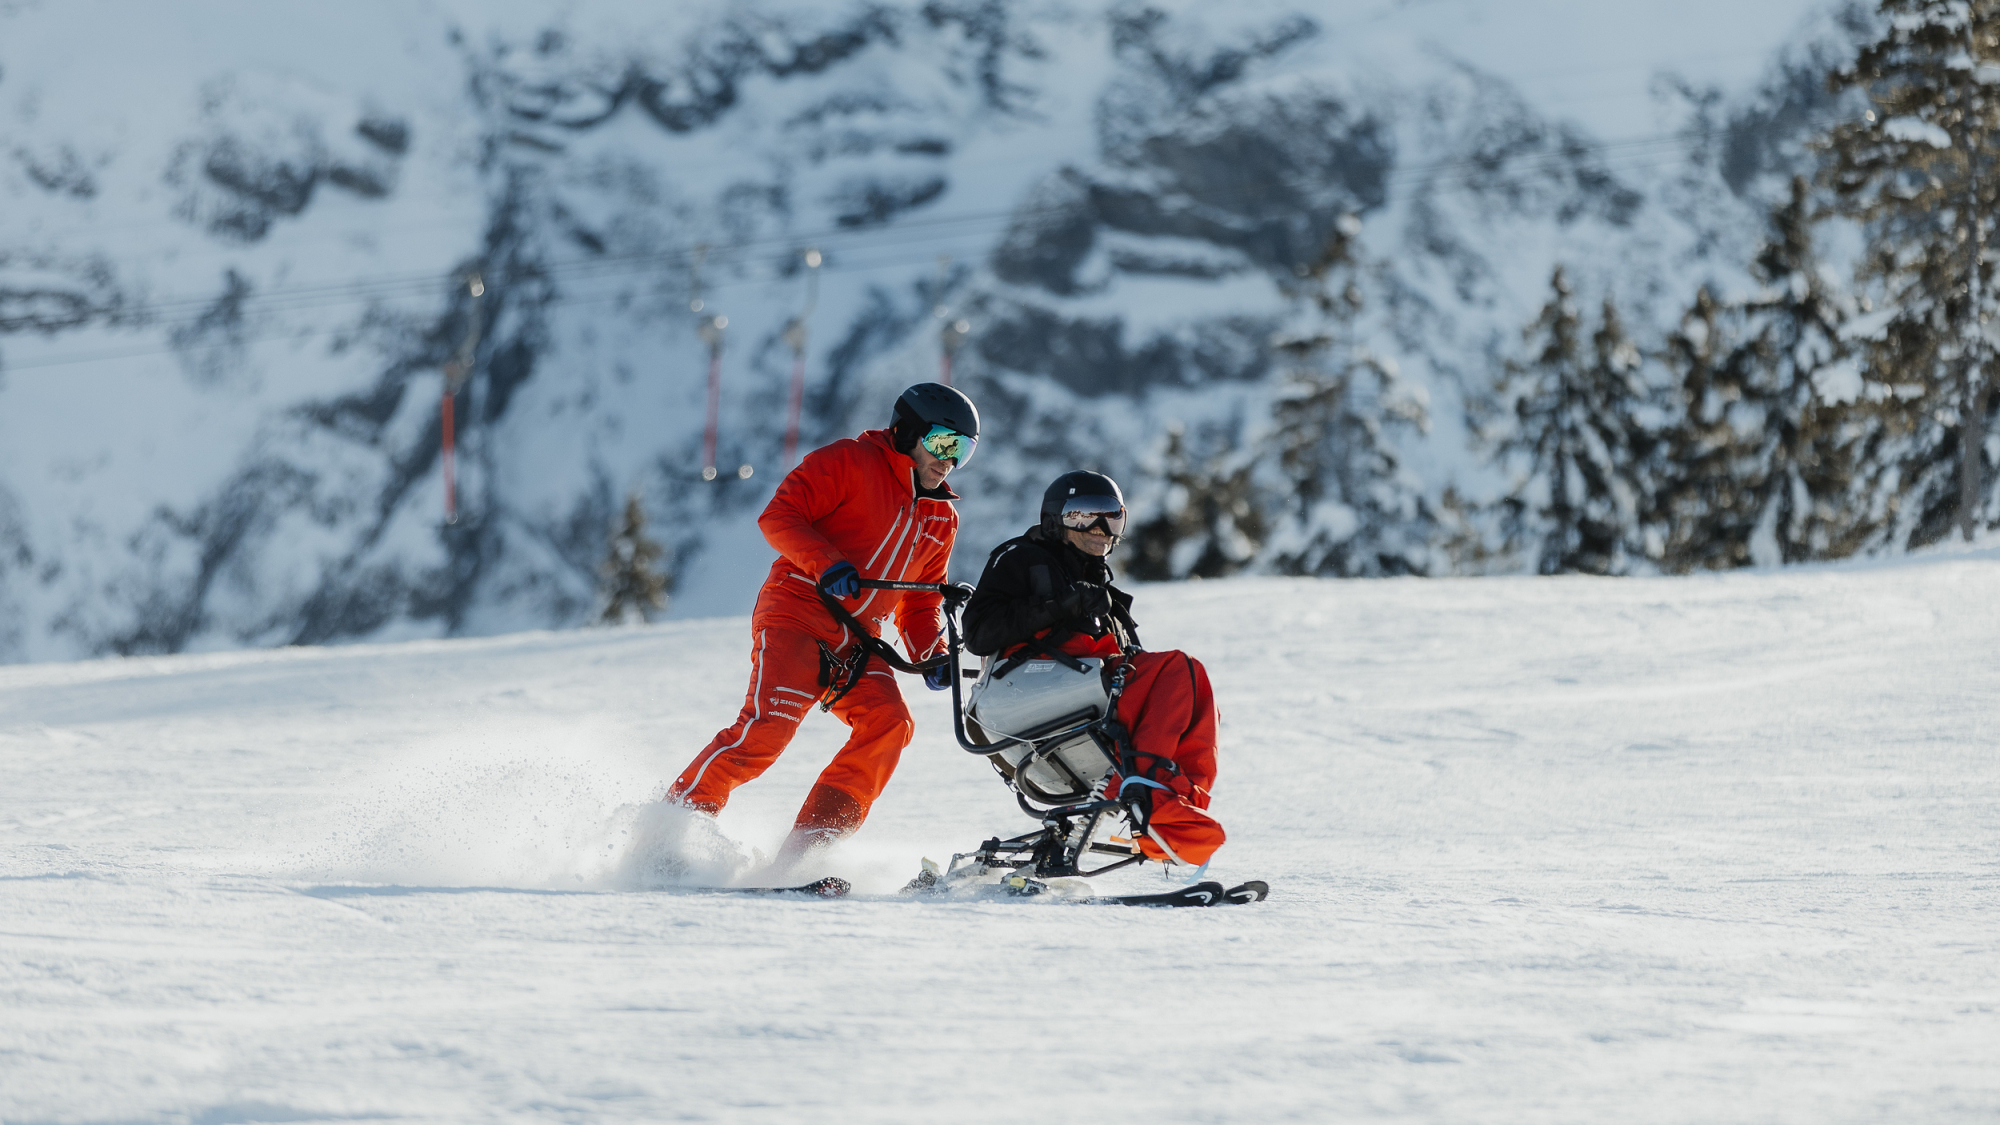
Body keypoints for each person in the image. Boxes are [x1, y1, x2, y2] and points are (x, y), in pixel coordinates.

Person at [666, 382, 977, 859]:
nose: (950, 459)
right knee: (766, 732)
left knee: (890, 724)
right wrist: (826, 562)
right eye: (941, 443)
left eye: (963, 449)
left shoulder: (941, 518)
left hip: (856, 641)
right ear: (906, 432)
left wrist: (932, 654)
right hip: (798, 612)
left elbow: (919, 602)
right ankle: (669, 829)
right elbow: (779, 516)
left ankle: (810, 848)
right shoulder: (848, 462)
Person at [961, 470, 1225, 867]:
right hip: (1018, 694)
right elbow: (978, 633)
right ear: (1055, 521)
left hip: (1076, 702)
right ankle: (1150, 801)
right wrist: (1061, 605)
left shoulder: (1104, 595)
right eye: (1085, 515)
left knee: (1193, 698)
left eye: (1113, 517)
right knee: (1179, 670)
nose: (1102, 529)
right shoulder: (1022, 557)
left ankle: (1176, 808)